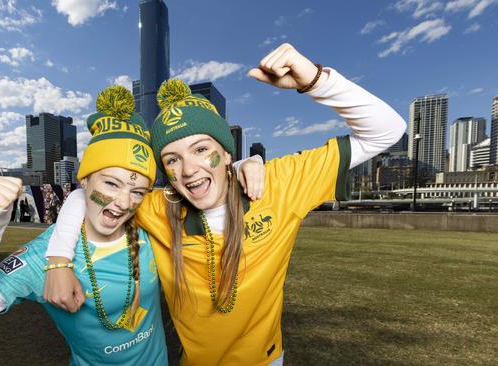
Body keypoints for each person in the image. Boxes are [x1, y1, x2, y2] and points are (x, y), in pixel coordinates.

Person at [44, 43, 407, 365]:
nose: (188, 170)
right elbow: (85, 194)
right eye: (172, 159)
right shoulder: (158, 208)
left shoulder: (279, 184)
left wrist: (314, 80)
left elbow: (387, 130)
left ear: (224, 148)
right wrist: (58, 261)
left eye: (201, 149)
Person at [0, 86, 172, 365]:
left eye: (137, 192)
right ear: (84, 180)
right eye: (110, 183)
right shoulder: (43, 256)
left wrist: (239, 165)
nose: (122, 202)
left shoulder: (150, 223)